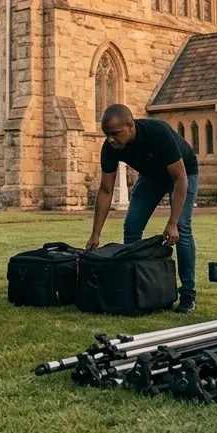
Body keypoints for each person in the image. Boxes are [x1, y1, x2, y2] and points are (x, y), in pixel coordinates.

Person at [86, 104, 200, 313]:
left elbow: (180, 179)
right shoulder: (110, 148)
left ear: (130, 126)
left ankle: (188, 295)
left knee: (182, 230)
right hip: (151, 176)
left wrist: (172, 223)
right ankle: (135, 288)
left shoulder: (157, 132)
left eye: (115, 134)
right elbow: (105, 191)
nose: (111, 139)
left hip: (183, 173)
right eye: (107, 135)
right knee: (132, 226)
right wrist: (95, 234)